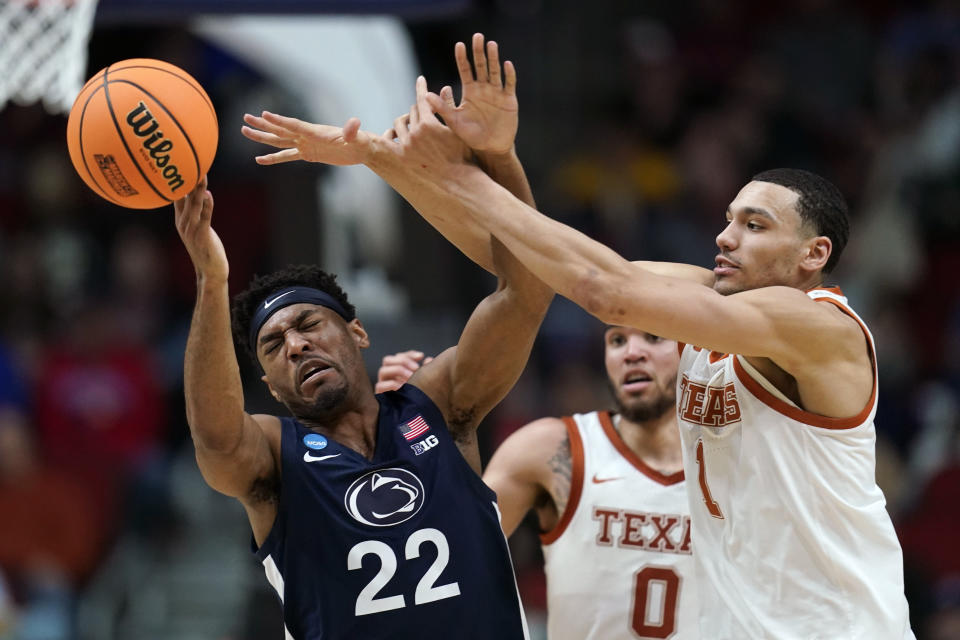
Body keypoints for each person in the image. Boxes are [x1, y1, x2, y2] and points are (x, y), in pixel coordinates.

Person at [240, 33, 915, 639]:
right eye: (730, 218)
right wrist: (387, 162)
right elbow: (528, 263)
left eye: (756, 225)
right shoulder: (714, 299)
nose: (725, 236)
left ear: (814, 254)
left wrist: (460, 172)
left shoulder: (817, 324)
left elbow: (607, 289)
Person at [175, 39, 553, 637]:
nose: (295, 347)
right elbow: (217, 440)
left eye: (307, 326)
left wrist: (499, 157)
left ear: (356, 331)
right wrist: (212, 282)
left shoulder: (439, 406)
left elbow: (526, 292)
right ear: (269, 386)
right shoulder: (277, 461)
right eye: (273, 348)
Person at [377, 324, 698, 640]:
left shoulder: (733, 459)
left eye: (653, 337)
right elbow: (443, 552)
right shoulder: (551, 449)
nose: (631, 353)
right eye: (617, 340)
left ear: (696, 349)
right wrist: (400, 437)